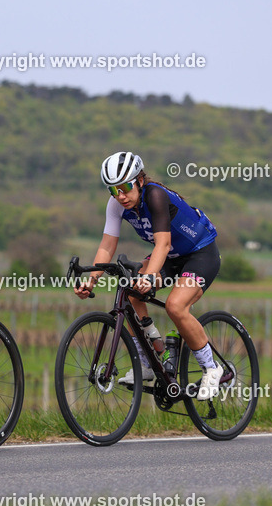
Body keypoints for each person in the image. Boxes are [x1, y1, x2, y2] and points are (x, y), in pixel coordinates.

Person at [73, 152, 224, 401]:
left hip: (200, 253)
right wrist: (92, 279)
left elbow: (163, 244)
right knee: (130, 291)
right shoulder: (116, 205)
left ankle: (211, 368)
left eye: (124, 187)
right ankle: (148, 360)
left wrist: (150, 277)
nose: (120, 196)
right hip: (172, 257)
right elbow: (106, 246)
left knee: (176, 306)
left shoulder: (155, 195)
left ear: (140, 180)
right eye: (113, 190)